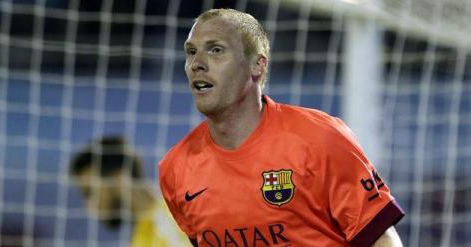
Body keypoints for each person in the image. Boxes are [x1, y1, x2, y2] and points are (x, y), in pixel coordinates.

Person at [159, 8, 405, 247]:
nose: (196, 64)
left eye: (215, 50)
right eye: (191, 52)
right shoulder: (176, 169)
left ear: (258, 65)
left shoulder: (320, 138)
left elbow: (381, 238)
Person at [69, 135, 189, 247]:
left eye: (90, 192)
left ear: (117, 178)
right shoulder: (140, 237)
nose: (89, 206)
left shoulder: (173, 220)